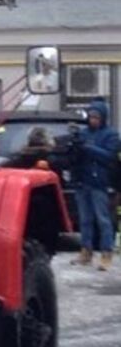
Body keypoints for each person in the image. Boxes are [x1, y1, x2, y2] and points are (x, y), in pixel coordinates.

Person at [72, 99, 120, 270]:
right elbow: (77, 156)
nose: (93, 120)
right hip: (82, 181)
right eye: (91, 116)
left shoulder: (111, 135)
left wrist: (88, 148)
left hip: (100, 183)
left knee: (103, 220)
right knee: (85, 220)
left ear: (103, 118)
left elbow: (109, 157)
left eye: (96, 117)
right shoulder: (84, 133)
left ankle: (106, 252)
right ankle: (86, 250)